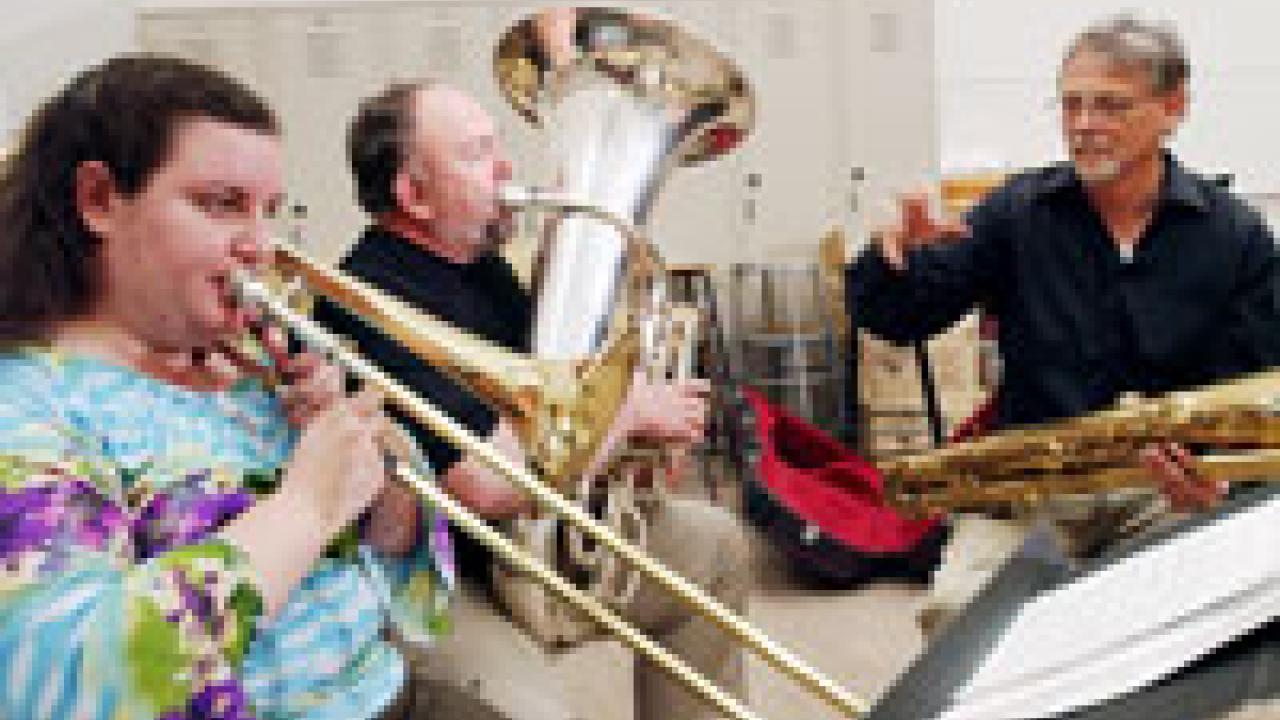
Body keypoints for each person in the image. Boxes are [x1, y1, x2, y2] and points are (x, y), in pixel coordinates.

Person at [0, 55, 452, 720]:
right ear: (98, 199)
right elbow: (66, 684)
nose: (260, 247)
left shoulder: (245, 361)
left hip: (392, 691)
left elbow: (396, 547)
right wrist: (306, 504)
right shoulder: (30, 407)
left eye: (268, 211)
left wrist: (364, 460)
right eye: (222, 205)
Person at [313, 79, 749, 720]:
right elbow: (481, 485)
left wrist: (626, 434)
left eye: (499, 145)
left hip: (529, 544)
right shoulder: (370, 302)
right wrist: (623, 414)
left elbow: (551, 396)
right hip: (447, 578)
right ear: (413, 195)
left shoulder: (479, 265)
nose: (506, 168)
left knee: (711, 548)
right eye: (477, 153)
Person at [848, 14, 1280, 631]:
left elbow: (1255, 395)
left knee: (1183, 636)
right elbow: (899, 318)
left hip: (1164, 493)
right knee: (958, 623)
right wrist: (891, 262)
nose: (1083, 125)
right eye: (1071, 104)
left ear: (1173, 106)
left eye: (1110, 105)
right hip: (1028, 489)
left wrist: (1219, 489)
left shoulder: (1237, 238)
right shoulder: (1017, 214)